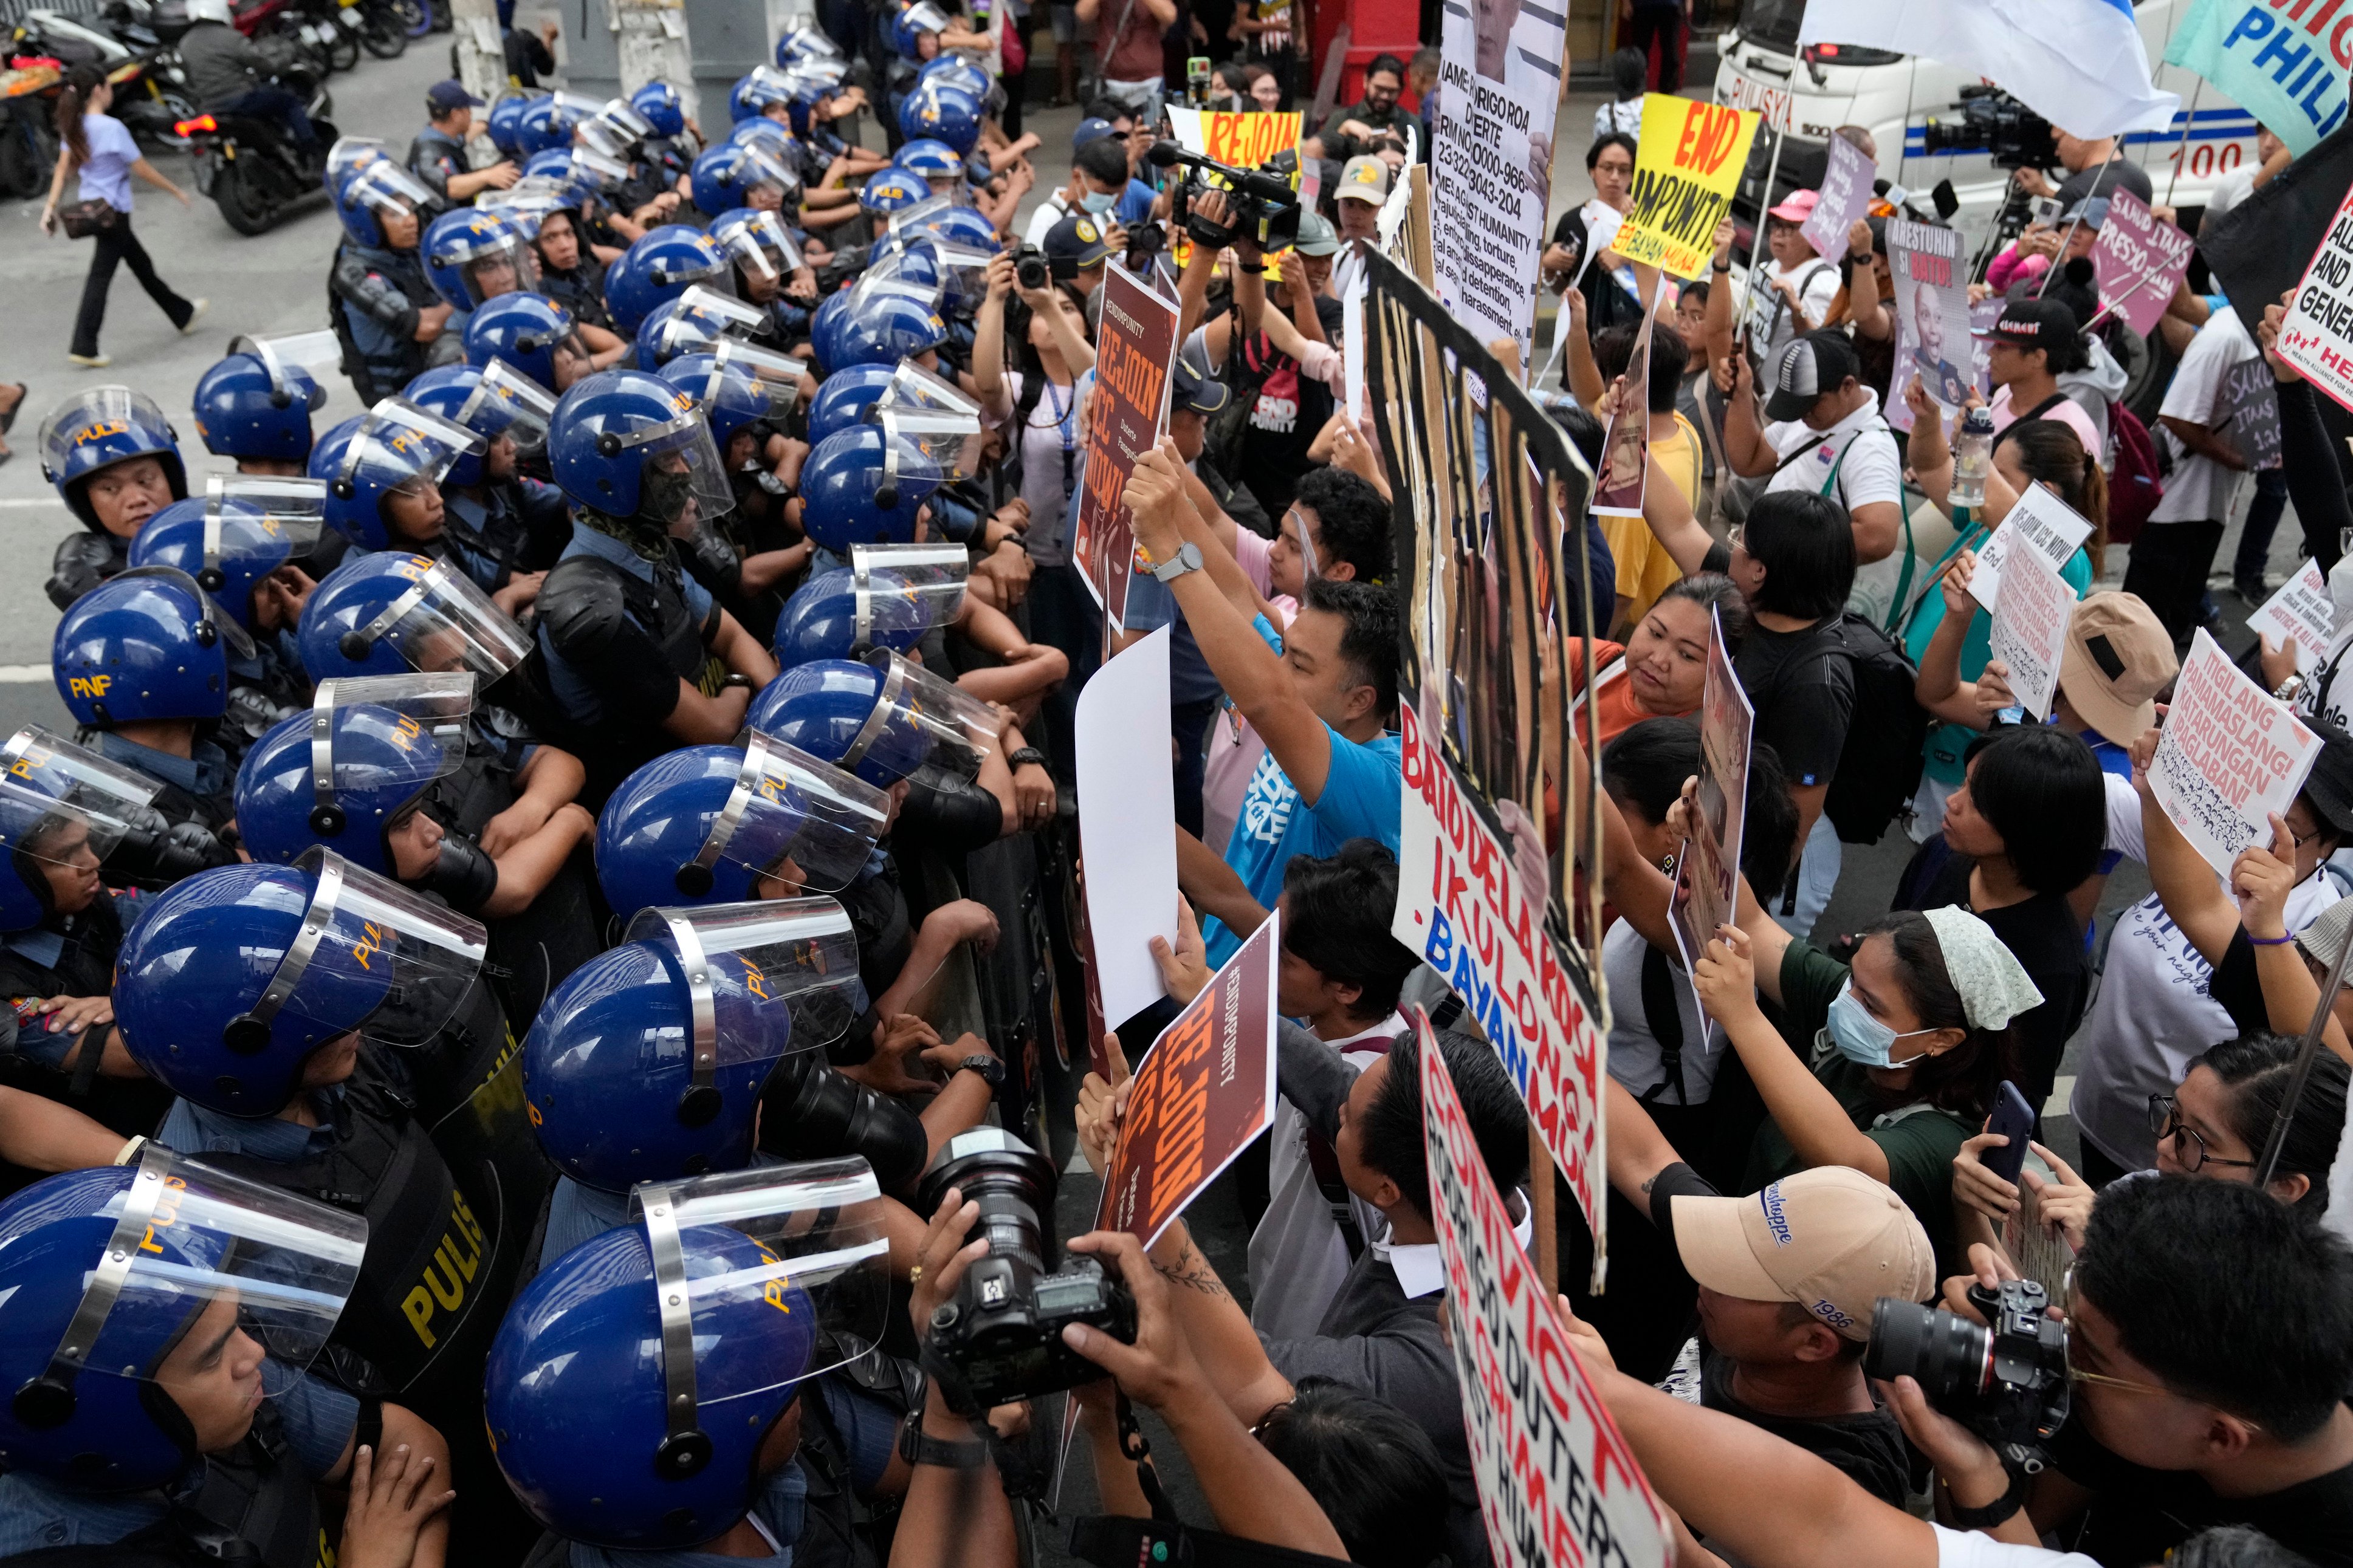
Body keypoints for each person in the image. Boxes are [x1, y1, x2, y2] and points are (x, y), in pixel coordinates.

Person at [0, 1158, 455, 1564]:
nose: (253, 1352)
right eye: (213, 1353)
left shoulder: (204, 1380)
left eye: (233, 1323)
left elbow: (413, 1442)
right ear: (112, 1418)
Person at [1124, 442, 1404, 968]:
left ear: (1360, 701)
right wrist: (1167, 479)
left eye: (1297, 664)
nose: (1279, 665)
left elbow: (1269, 701)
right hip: (1214, 968)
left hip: (1272, 1022)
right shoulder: (1312, 686)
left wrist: (1164, 545)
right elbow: (1234, 596)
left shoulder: (1381, 785)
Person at [1602, 1115, 1930, 1507]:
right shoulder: (1750, 1295)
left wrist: (1607, 1399)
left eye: (1740, 1273)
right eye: (1736, 1240)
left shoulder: (1847, 1489)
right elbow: (1641, 1157)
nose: (1707, 1271)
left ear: (1813, 1342)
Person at [1695, 899, 2030, 1271]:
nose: (1845, 1001)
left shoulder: (1946, 1138)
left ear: (1943, 1040)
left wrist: (1742, 1016)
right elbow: (1749, 921)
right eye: (1852, 977)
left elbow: (1848, 1161)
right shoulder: (1868, 1012)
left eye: (1870, 1005)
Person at [535, 368, 781, 804]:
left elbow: (729, 633)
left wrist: (778, 701)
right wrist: (747, 682)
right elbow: (714, 728)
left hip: (718, 735)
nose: (686, 470)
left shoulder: (645, 543)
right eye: (668, 461)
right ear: (612, 480)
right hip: (668, 793)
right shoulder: (590, 610)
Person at [1890, 725, 2103, 1107]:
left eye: (1977, 800)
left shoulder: (2052, 965)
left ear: (2030, 829)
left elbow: (2015, 1096)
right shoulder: (1941, 854)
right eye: (1965, 784)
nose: (1953, 802)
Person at [37, 64, 203, 370]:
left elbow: (63, 170)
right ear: (99, 90)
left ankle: (183, 313)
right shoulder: (111, 128)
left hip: (95, 208)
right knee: (102, 276)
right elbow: (141, 169)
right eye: (109, 86)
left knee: (142, 266)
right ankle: (84, 345)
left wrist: (50, 208)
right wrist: (175, 191)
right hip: (114, 211)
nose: (112, 91)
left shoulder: (75, 126)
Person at [2126, 303, 2259, 643]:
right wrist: (2235, 460)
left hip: (2210, 508)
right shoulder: (2224, 335)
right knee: (2138, 629)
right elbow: (2177, 417)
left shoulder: (2257, 337)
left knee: (2175, 621)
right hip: (2173, 508)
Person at [1722, 332, 1905, 571]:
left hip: (1797, 591)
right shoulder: (1810, 419)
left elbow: (1878, 538)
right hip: (1762, 569)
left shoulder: (1871, 447)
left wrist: (1785, 544)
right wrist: (1741, 394)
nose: (1802, 414)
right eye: (1795, 405)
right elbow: (1749, 460)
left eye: (1809, 405)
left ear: (1847, 386)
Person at [35, 385, 187, 610]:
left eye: (145, 480)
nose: (136, 499)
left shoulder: (224, 528)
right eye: (110, 489)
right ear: (85, 503)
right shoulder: (92, 574)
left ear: (172, 477)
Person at [331, 160, 458, 403]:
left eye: (410, 210)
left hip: (433, 369)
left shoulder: (402, 249)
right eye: (396, 214)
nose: (411, 220)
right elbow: (425, 328)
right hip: (399, 397)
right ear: (368, 224)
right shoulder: (354, 274)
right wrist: (466, 289)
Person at [175, 0, 318, 158]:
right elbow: (265, 65)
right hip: (241, 101)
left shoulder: (184, 44)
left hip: (210, 108)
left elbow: (188, 83)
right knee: (290, 102)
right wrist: (287, 55)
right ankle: (312, 152)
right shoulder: (231, 37)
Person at [1745, 192, 1843, 364]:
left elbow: (1820, 347)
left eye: (1790, 227)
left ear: (1814, 233)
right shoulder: (1766, 268)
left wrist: (1797, 309)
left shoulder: (1823, 280)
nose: (1778, 234)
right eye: (1776, 225)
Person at [1021, 125, 1135, 246]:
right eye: (1103, 193)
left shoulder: (1104, 215)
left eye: (1112, 195)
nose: (1108, 201)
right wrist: (1102, 253)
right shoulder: (1049, 218)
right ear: (1077, 177)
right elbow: (1037, 264)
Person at [409, 80, 519, 204]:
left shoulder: (437, 135)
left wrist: (484, 126)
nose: (471, 113)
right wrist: (488, 176)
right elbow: (450, 187)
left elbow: (456, 143)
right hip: (447, 217)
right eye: (467, 108)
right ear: (456, 115)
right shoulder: (427, 154)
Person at [1076, 0, 1176, 124]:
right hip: (1112, 82)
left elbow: (1170, 16)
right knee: (1113, 138)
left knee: (1152, 136)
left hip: (1150, 83)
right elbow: (1082, 14)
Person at [2016, 125, 2156, 209]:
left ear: (2080, 135)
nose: (2056, 152)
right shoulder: (2141, 180)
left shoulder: (2073, 191)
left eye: (2057, 142)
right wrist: (2046, 192)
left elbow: (2049, 250)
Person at [1594, 46, 1646, 139]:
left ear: (1615, 78)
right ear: (1645, 75)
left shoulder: (1605, 114)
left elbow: (1599, 150)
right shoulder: (1660, 111)